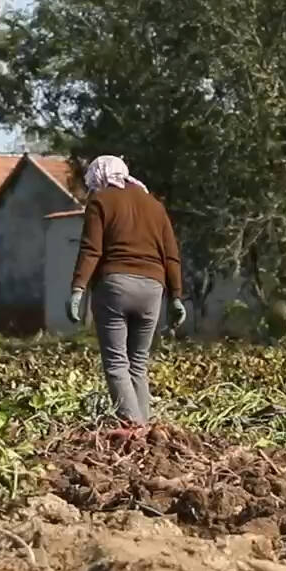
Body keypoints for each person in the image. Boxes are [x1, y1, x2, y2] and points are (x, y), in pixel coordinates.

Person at [67, 156, 185, 426]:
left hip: (115, 287)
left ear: (99, 176)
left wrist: (78, 288)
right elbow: (171, 256)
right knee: (138, 365)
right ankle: (146, 429)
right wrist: (176, 297)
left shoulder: (100, 201)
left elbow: (91, 249)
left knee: (117, 364)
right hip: (152, 291)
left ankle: (134, 428)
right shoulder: (155, 206)